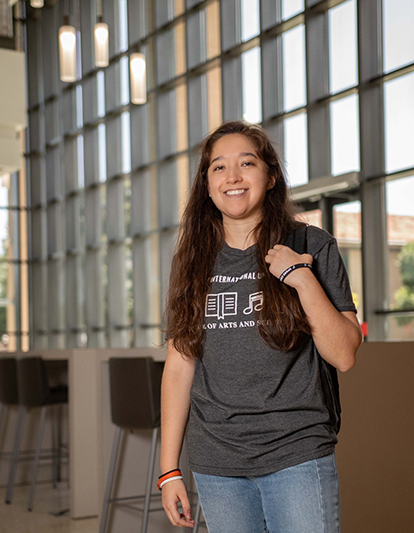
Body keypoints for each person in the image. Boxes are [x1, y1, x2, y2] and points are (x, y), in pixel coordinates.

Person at [160, 121, 362, 532]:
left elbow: (343, 354)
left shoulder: (311, 245)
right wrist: (169, 471)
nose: (232, 177)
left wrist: (302, 279)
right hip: (217, 463)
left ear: (270, 177)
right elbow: (180, 366)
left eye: (246, 163)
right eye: (218, 167)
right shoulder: (193, 260)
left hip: (297, 453)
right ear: (207, 183)